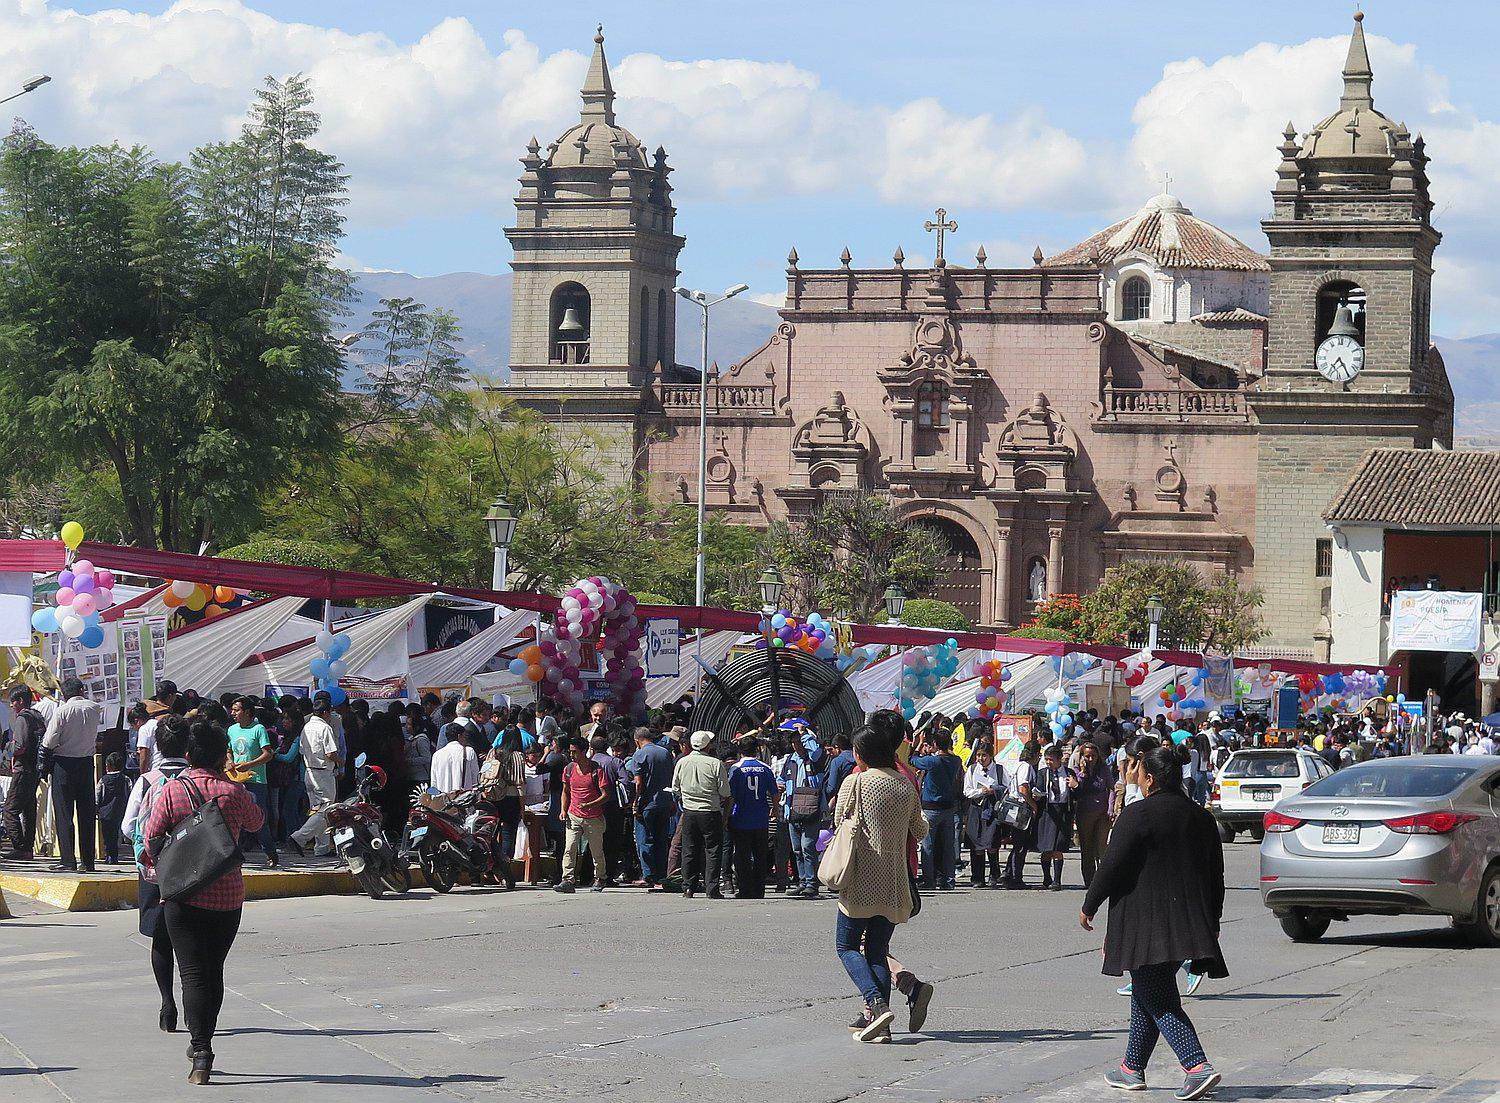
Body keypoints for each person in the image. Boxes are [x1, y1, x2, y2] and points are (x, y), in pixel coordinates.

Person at [1081, 742, 1226, 1100]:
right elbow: (1216, 876)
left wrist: (1089, 904)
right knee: (1147, 992)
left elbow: (1112, 866)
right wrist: (1214, 921)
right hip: (1191, 923)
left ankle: (1196, 1066)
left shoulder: (1138, 814)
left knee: (1157, 996)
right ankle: (1131, 1068)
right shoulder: (1202, 817)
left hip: (1145, 924)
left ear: (1148, 778)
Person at [143, 719, 264, 1085]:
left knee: (192, 973)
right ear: (220, 753)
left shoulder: (173, 790)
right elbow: (257, 824)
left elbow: (150, 838)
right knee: (213, 972)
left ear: (187, 754)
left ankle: (201, 1052)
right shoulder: (234, 792)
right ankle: (203, 1043)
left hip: (183, 894)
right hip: (227, 895)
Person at [832, 725, 928, 1044]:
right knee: (876, 948)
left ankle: (875, 1003)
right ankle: (880, 1026)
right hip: (894, 881)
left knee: (846, 945)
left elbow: (838, 822)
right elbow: (921, 829)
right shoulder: (905, 784)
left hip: (861, 878)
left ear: (860, 755)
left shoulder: (856, 781)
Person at [123, 715, 190, 1034]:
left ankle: (167, 1004)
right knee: (192, 944)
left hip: (154, 871)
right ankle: (194, 1006)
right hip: (194, 872)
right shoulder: (197, 779)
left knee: (161, 940)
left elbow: (128, 825)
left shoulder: (147, 780)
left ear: (158, 746)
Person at [41, 677, 102, 872]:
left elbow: (49, 741)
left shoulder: (62, 711)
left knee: (64, 813)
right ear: (82, 690)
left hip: (64, 763)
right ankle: (88, 861)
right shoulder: (95, 708)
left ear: (65, 694)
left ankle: (68, 860)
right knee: (86, 813)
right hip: (86, 763)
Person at [672, 730, 730, 899]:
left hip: (689, 811)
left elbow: (675, 787)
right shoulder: (715, 763)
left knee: (689, 849)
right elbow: (725, 791)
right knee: (712, 850)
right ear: (708, 745)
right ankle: (712, 888)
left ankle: (688, 887)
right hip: (710, 811)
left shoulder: (682, 762)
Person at [287, 693, 344, 858]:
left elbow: (302, 750)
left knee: (317, 810)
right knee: (325, 810)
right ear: (326, 713)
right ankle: (299, 837)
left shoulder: (307, 727)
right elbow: (331, 752)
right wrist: (340, 761)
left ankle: (322, 847)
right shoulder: (325, 727)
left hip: (309, 772)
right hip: (323, 774)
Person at [226, 697, 278, 869]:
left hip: (256, 780)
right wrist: (229, 761)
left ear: (247, 712)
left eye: (236, 710)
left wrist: (248, 764)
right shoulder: (232, 730)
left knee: (258, 817)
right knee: (234, 817)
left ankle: (270, 852)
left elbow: (268, 754)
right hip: (236, 780)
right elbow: (228, 750)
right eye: (232, 710)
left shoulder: (258, 729)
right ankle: (235, 854)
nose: (233, 713)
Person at [909, 730, 963, 890]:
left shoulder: (932, 762)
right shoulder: (956, 760)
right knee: (948, 846)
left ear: (934, 745)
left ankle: (929, 880)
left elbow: (913, 760)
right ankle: (948, 880)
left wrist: (919, 744)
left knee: (928, 845)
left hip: (931, 807)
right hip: (949, 807)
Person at [555, 736, 609, 893]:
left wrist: (590, 805)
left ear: (584, 751)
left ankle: (600, 877)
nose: (572, 755)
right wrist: (563, 810)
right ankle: (567, 879)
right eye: (570, 752)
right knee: (569, 847)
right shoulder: (569, 769)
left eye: (575, 752)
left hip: (593, 817)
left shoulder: (596, 771)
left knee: (596, 850)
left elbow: (606, 794)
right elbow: (565, 791)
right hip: (574, 815)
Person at [779, 728, 827, 899]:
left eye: (799, 741)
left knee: (808, 847)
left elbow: (815, 752)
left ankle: (812, 884)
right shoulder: (790, 760)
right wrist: (780, 784)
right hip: (792, 809)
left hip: (811, 809)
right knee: (797, 849)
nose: (796, 745)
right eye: (794, 742)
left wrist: (805, 734)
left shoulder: (815, 758)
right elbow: (782, 778)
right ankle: (802, 882)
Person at [627, 725, 674, 888]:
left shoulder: (639, 754)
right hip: (664, 802)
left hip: (647, 804)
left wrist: (635, 802)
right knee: (662, 840)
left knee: (644, 839)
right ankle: (661, 875)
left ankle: (648, 875)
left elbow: (638, 782)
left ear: (637, 741)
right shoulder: (666, 752)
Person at [728, 738, 774, 899]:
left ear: (741, 751)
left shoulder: (736, 768)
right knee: (761, 855)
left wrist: (727, 814)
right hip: (760, 817)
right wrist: (774, 809)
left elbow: (731, 796)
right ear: (756, 750)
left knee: (742, 856)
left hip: (740, 817)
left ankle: (745, 889)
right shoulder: (765, 768)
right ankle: (759, 889)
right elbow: (774, 792)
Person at [2, 686, 44, 859]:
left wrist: (7, 746)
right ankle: (27, 847)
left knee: (10, 810)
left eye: (13, 701)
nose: (11, 705)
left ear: (20, 701)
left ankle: (20, 846)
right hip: (34, 769)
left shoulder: (22, 719)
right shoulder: (38, 717)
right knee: (28, 809)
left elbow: (20, 746)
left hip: (22, 769)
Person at [1034, 743, 1077, 890]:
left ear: (1059, 759)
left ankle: (1057, 880)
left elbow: (1077, 794)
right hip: (1047, 812)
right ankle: (1047, 877)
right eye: (1046, 759)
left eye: (1051, 759)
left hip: (1063, 811)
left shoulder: (1069, 772)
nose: (1048, 762)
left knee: (1058, 846)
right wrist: (1037, 796)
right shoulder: (1042, 773)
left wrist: (1075, 786)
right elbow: (1038, 789)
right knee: (1046, 847)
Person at [962, 741, 1004, 887]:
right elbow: (966, 791)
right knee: (977, 844)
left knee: (992, 843)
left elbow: (1007, 787)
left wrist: (995, 790)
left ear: (990, 756)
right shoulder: (972, 770)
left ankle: (994, 874)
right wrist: (980, 791)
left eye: (984, 755)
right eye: (978, 755)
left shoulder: (999, 770)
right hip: (976, 808)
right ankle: (977, 877)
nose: (981, 758)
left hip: (992, 809)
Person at [1073, 741, 1113, 888]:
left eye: (1093, 756)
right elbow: (1079, 790)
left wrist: (1111, 807)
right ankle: (1089, 881)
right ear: (1082, 756)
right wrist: (1083, 773)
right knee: (1087, 848)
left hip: (1102, 812)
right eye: (1087, 756)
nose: (1091, 759)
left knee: (1101, 847)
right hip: (1085, 812)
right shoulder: (1076, 770)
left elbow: (1111, 787)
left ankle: (1103, 879)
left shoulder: (1103, 768)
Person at [95, 752, 131, 864]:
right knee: (117, 834)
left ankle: (110, 855)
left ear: (108, 766)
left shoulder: (103, 780)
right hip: (121, 811)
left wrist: (96, 808)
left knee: (107, 835)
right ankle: (114, 855)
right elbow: (130, 794)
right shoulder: (126, 779)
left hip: (105, 813)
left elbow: (97, 796)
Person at [430, 724, 480, 793]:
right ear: (459, 736)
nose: (465, 739)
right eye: (464, 736)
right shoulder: (469, 751)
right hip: (465, 798)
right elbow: (475, 778)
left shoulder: (436, 755)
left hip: (444, 799)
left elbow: (434, 782)